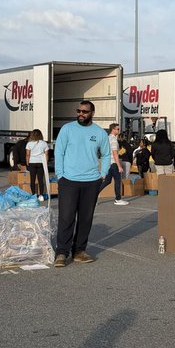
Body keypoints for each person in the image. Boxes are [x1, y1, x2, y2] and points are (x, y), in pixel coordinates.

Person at [53, 100, 111, 268]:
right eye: (78, 111)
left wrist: (103, 174)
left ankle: (79, 251)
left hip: (91, 182)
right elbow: (59, 152)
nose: (81, 114)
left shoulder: (99, 133)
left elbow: (107, 154)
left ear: (92, 113)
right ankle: (62, 253)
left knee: (85, 218)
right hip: (68, 181)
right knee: (66, 217)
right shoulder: (67, 129)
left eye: (84, 111)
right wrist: (60, 175)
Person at [101, 123, 129, 205]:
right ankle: (118, 199)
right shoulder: (113, 140)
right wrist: (119, 166)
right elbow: (115, 153)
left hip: (108, 163)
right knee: (117, 181)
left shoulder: (107, 138)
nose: (119, 131)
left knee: (107, 181)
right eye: (118, 129)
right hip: (113, 163)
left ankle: (93, 195)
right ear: (113, 129)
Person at [26, 128, 49, 198]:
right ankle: (41, 195)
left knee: (32, 180)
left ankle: (34, 195)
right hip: (41, 163)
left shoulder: (29, 144)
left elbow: (27, 154)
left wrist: (27, 162)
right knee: (40, 180)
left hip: (32, 162)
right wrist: (46, 163)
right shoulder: (44, 143)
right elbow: (46, 154)